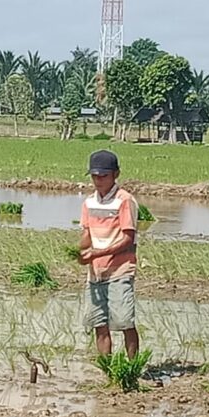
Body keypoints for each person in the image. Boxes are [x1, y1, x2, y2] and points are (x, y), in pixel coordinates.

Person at [78, 149, 140, 359]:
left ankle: (132, 367)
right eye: (95, 176)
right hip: (95, 273)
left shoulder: (124, 201)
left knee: (124, 321)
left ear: (116, 174)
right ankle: (107, 368)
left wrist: (98, 253)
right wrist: (79, 251)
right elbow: (87, 234)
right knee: (99, 323)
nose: (98, 180)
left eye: (103, 176)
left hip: (120, 270)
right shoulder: (89, 202)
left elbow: (128, 238)